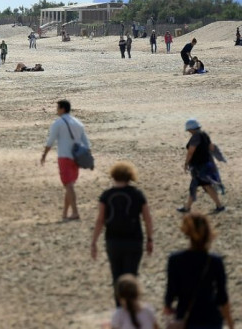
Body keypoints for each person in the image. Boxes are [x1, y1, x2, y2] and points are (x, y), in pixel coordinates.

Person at [91, 161, 154, 293]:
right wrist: (150, 239)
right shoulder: (137, 194)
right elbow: (147, 219)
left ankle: (120, 307)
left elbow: (100, 220)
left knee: (117, 277)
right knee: (132, 276)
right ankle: (132, 307)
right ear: (130, 176)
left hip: (113, 240)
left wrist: (94, 241)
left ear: (113, 175)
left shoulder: (106, 195)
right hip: (134, 240)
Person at [164, 213, 234, 329]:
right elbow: (222, 297)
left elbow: (170, 292)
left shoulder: (175, 260)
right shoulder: (215, 261)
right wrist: (230, 324)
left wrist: (168, 307)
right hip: (211, 319)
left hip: (186, 319)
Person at [40, 100, 90, 221]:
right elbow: (87, 143)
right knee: (70, 184)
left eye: (57, 108)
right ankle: (65, 213)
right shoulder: (78, 123)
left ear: (62, 109)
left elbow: (50, 141)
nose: (56, 110)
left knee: (69, 185)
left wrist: (44, 155)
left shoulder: (58, 123)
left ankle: (75, 212)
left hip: (64, 156)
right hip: (77, 157)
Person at [177, 119, 225, 213]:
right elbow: (211, 147)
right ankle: (219, 206)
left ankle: (187, 208)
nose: (188, 132)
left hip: (199, 166)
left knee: (198, 185)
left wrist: (186, 163)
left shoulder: (196, 136)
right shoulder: (204, 134)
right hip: (205, 164)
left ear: (191, 129)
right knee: (205, 185)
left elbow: (191, 152)